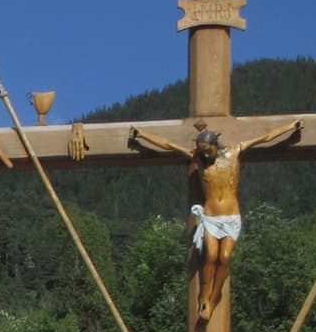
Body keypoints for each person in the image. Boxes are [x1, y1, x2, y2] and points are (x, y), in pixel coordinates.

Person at [129, 119, 302, 321]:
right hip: (211, 216)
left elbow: (264, 138)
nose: (204, 153)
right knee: (210, 256)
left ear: (214, 145)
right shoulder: (198, 160)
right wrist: (141, 134)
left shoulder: (235, 152)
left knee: (225, 258)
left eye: (206, 149)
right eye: (201, 150)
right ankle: (204, 297)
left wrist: (290, 127)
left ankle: (213, 297)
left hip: (231, 216)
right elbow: (168, 145)